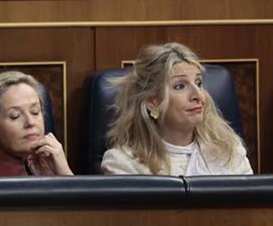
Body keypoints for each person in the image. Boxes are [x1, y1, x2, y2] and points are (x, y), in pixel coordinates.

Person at [101, 42, 253, 175]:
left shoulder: (229, 150)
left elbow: (251, 206)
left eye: (198, 83)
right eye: (180, 86)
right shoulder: (124, 164)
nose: (198, 95)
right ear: (152, 101)